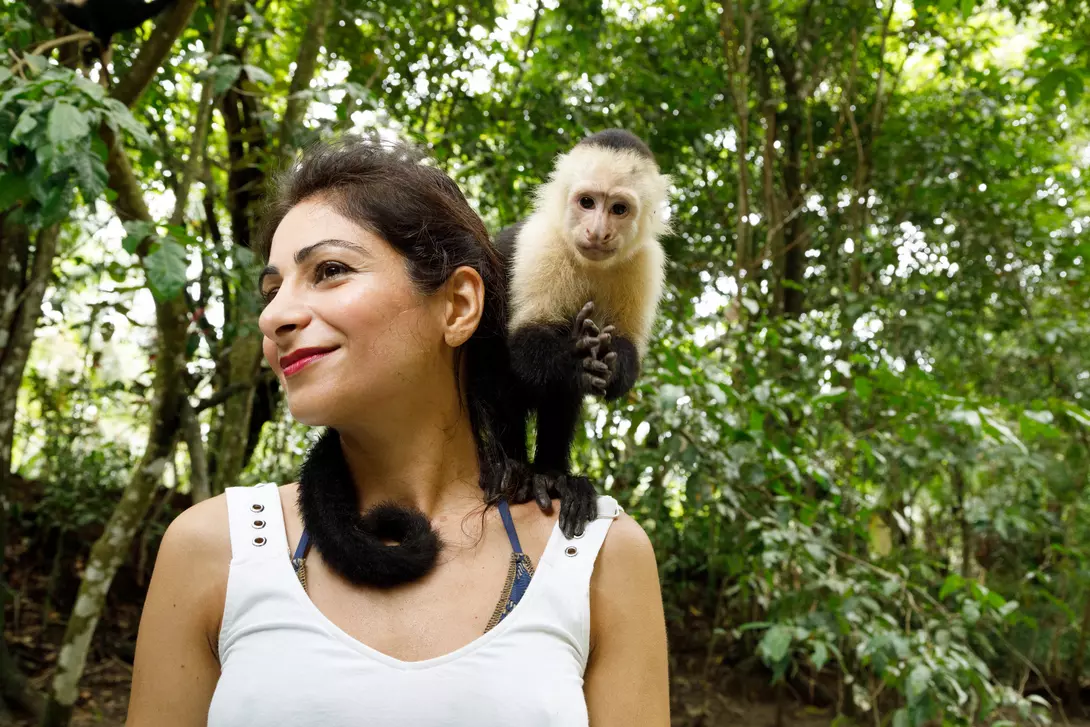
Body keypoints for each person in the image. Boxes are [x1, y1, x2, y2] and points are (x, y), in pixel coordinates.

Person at [124, 137, 669, 726]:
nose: (274, 315)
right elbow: (528, 358)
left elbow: (615, 368)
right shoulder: (211, 550)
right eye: (272, 288)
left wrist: (604, 367)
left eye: (330, 270)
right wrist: (566, 359)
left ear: (459, 305)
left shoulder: (600, 558)